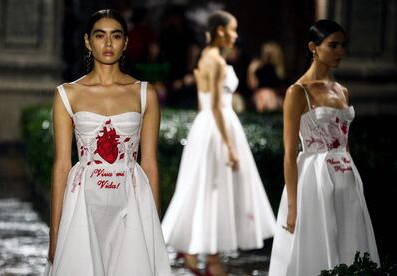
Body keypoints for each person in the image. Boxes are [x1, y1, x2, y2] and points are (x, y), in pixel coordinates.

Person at [44, 9, 171, 276]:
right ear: (88, 42)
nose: (108, 43)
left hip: (132, 199)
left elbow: (149, 162)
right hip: (83, 201)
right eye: (100, 36)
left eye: (116, 36)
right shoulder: (68, 94)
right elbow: (61, 166)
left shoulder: (145, 93)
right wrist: (54, 233)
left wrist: (153, 226)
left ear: (125, 42)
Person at [161, 10, 276, 276]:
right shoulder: (214, 60)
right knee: (212, 188)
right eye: (233, 30)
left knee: (209, 187)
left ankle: (198, 252)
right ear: (221, 31)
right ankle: (207, 257)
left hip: (212, 126)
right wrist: (229, 145)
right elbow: (213, 105)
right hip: (217, 126)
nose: (236, 35)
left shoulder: (208, 57)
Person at [268, 19, 379, 276]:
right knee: (317, 245)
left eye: (343, 45)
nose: (340, 51)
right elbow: (288, 154)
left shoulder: (343, 91)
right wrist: (293, 208)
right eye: (333, 45)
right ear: (313, 47)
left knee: (350, 242)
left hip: (347, 176)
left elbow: (345, 145)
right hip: (314, 180)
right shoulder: (297, 92)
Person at [247, 41, 286, 112]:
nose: (268, 56)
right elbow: (253, 86)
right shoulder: (258, 66)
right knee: (263, 97)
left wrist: (269, 92)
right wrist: (251, 71)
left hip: (274, 95)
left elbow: (281, 87)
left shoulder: (279, 68)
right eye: (266, 53)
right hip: (259, 94)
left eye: (271, 53)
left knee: (268, 98)